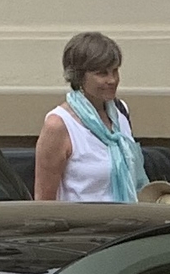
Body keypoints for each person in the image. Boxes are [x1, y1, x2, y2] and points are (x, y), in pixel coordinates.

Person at [34, 32, 145, 200]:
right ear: (79, 77)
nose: (112, 80)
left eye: (115, 71)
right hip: (83, 224)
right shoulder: (58, 124)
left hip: (128, 222)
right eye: (102, 73)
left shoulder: (120, 111)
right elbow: (44, 201)